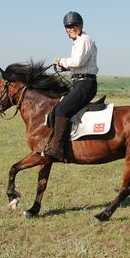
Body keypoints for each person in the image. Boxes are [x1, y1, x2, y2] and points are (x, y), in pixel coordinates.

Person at [44, 11, 99, 161]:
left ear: (81, 25)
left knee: (62, 109)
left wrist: (61, 61)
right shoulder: (77, 42)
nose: (72, 28)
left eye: (75, 25)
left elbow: (77, 62)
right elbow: (77, 65)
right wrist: (64, 67)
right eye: (69, 26)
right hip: (78, 82)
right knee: (57, 108)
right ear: (65, 29)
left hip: (85, 84)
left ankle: (57, 150)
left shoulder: (84, 40)